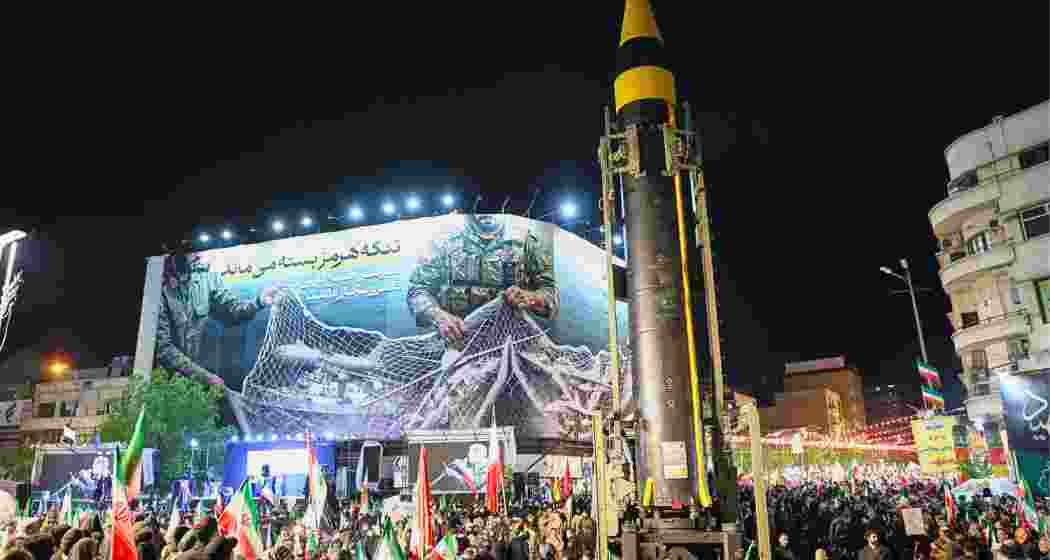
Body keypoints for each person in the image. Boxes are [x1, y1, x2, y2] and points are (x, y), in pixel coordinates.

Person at [406, 214, 560, 345]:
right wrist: (437, 316)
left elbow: (550, 293)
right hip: (456, 342)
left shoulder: (527, 241)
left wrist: (531, 298)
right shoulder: (443, 241)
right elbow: (417, 290)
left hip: (511, 342)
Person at [155, 250, 278, 388]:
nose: (198, 255)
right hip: (167, 380)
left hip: (197, 379)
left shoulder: (207, 278)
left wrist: (258, 302)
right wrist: (204, 376)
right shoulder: (157, 284)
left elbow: (232, 310)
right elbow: (163, 348)